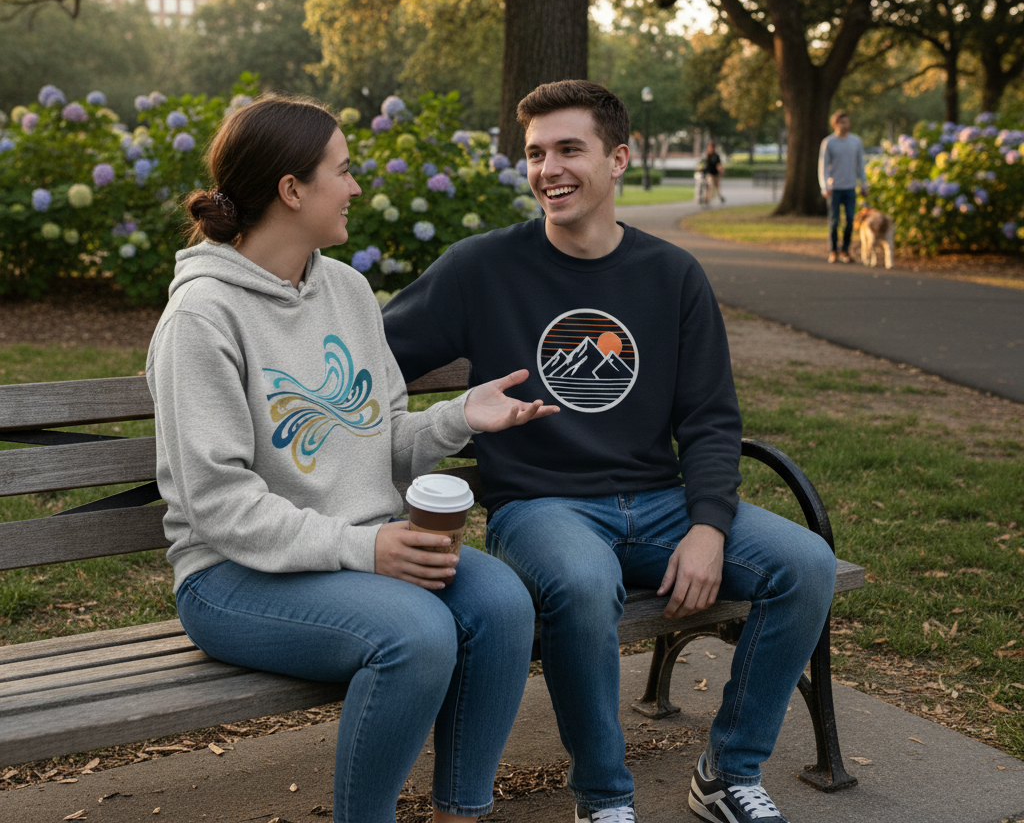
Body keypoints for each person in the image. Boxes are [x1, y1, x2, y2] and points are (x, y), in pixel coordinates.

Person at [382, 80, 836, 823]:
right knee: (585, 586)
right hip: (542, 508)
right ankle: (603, 798)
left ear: (619, 158)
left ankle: (728, 772)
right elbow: (370, 356)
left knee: (807, 566)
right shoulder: (481, 269)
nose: (547, 169)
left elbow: (712, 418)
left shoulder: (671, 276)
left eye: (569, 149)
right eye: (534, 153)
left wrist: (708, 526)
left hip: (659, 504)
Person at [146, 94, 559, 823]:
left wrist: (462, 416)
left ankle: (461, 812)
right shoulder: (202, 317)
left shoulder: (346, 289)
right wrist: (364, 548)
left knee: (501, 604)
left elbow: (383, 441)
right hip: (230, 575)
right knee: (418, 635)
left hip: (351, 551)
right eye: (343, 170)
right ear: (292, 189)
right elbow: (218, 504)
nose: (357, 186)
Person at [818, 111, 867, 263]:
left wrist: (863, 184)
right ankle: (833, 250)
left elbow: (860, 164)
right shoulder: (829, 142)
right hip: (834, 189)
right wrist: (825, 186)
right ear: (835, 124)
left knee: (850, 220)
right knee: (834, 221)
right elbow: (823, 166)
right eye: (842, 122)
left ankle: (845, 250)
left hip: (850, 187)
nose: (845, 125)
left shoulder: (856, 141)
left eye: (847, 122)